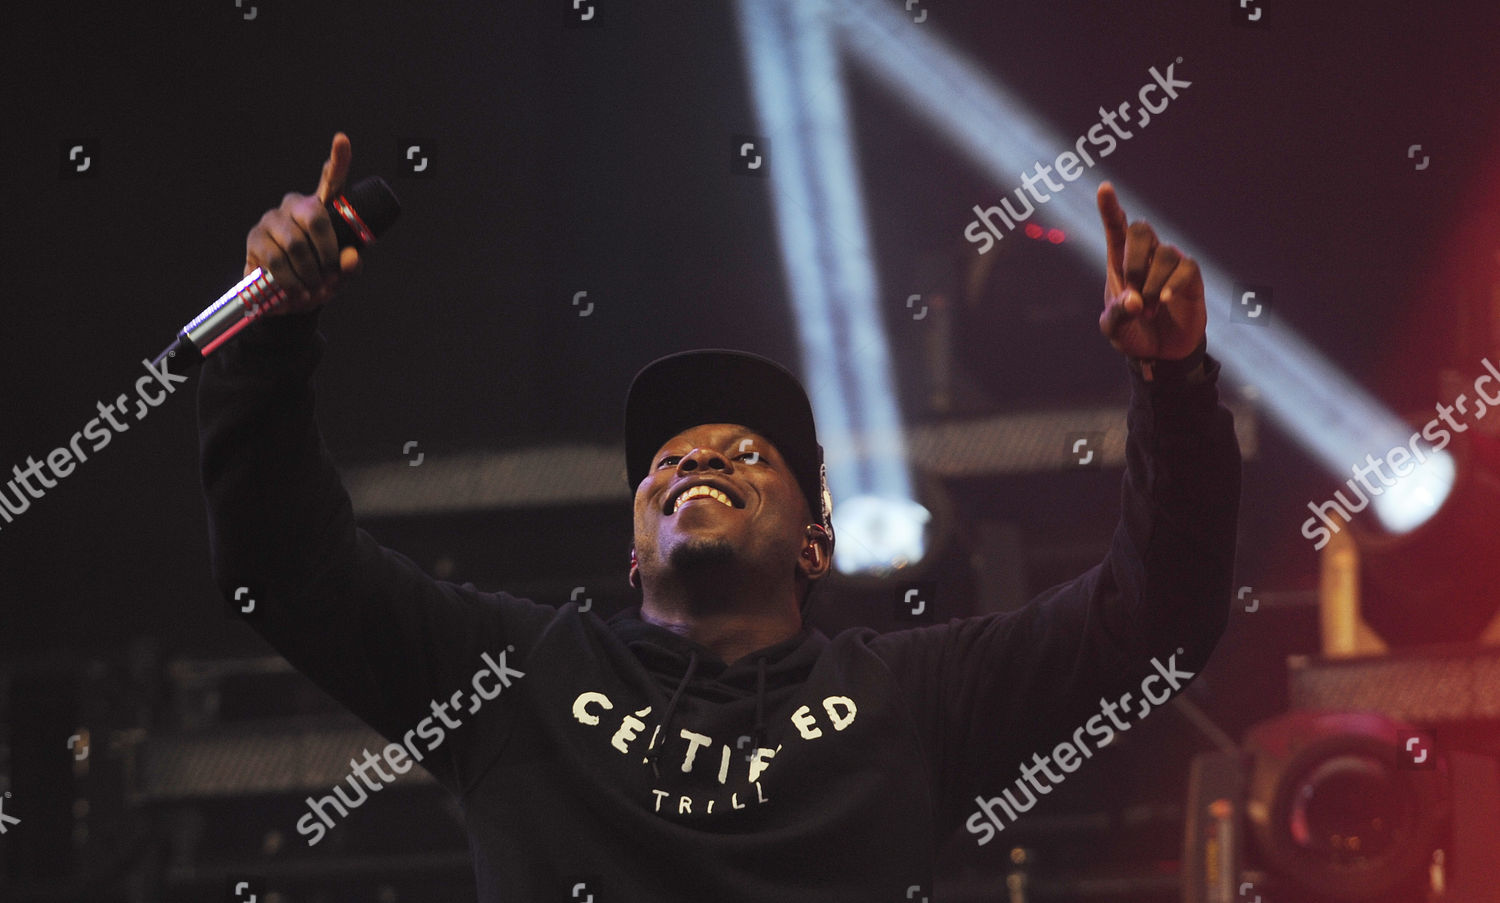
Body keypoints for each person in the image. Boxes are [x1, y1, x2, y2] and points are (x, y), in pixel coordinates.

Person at [198, 133, 1240, 901]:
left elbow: (1154, 625)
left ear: (816, 541)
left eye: (749, 454)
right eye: (670, 458)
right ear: (635, 541)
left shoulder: (914, 697)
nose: (700, 456)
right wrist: (271, 338)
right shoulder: (519, 677)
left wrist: (1177, 385)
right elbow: (286, 566)